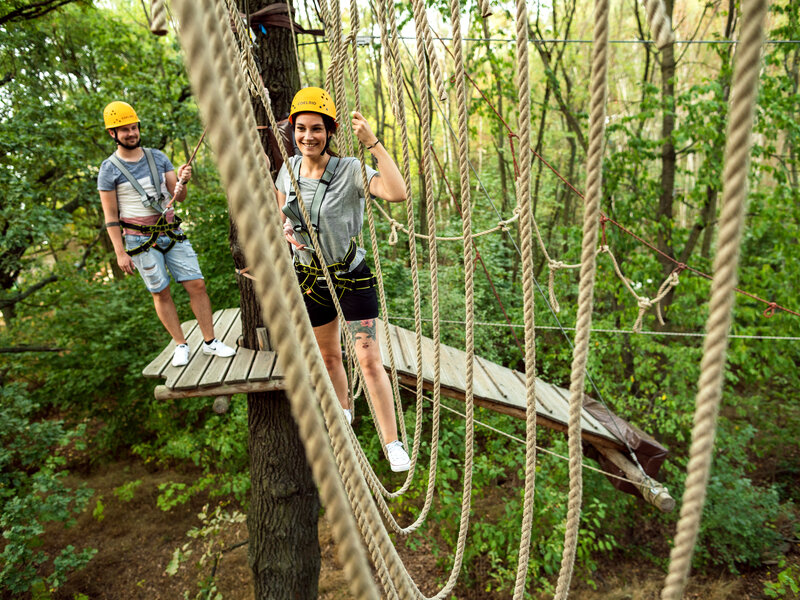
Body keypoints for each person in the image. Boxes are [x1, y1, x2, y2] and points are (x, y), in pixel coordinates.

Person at [273, 87, 410, 472]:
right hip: (311, 279)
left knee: (368, 359)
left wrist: (374, 144)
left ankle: (392, 442)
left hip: (351, 278)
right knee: (330, 354)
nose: (308, 137)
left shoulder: (350, 170)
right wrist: (287, 225)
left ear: (329, 131)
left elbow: (396, 193)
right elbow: (280, 202)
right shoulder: (289, 169)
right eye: (301, 129)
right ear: (293, 130)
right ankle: (344, 411)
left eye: (317, 129)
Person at [97, 101, 236, 367]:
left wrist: (184, 180)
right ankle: (180, 344)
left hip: (171, 232)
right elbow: (111, 217)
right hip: (138, 240)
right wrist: (119, 252)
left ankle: (210, 342)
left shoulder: (158, 157)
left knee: (197, 284)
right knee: (160, 292)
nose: (131, 133)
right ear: (112, 134)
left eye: (133, 127)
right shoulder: (109, 170)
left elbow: (179, 197)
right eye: (123, 130)